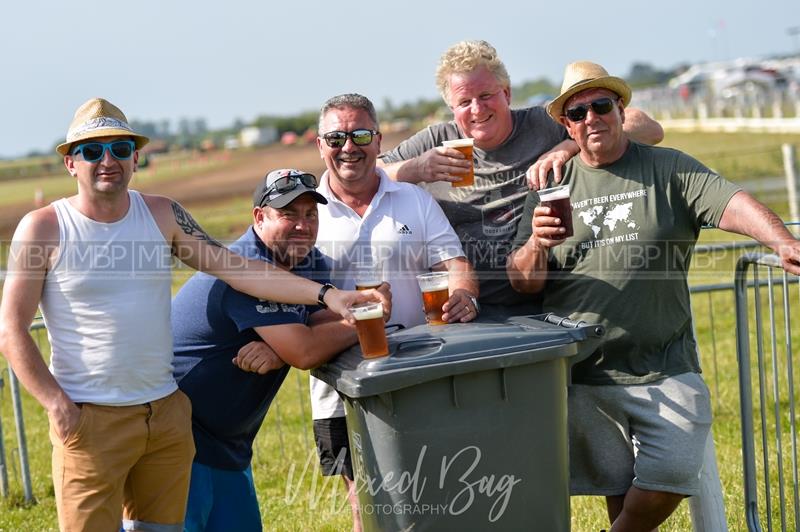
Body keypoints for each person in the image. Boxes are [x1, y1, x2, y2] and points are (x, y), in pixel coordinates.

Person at [0, 98, 386, 532]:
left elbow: (238, 270)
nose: (108, 160)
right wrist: (56, 406)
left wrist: (328, 295)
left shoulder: (161, 214)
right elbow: (12, 330)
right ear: (71, 163)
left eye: (120, 149)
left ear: (136, 157)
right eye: (92, 151)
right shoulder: (44, 228)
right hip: (91, 417)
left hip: (165, 414)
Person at [507, 61, 800, 532]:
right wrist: (538, 244)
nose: (591, 118)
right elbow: (523, 282)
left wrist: (781, 240)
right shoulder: (551, 185)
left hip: (666, 364)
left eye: (601, 105)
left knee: (672, 471)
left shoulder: (668, 168)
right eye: (577, 113)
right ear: (566, 125)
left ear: (621, 110)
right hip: (584, 370)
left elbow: (731, 202)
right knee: (616, 484)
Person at [171, 168, 389, 531]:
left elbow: (320, 325)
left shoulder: (310, 262)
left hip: (227, 446)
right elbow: (304, 352)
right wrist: (369, 318)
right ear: (259, 217)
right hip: (179, 439)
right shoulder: (245, 267)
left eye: (310, 214)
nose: (303, 225)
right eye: (288, 214)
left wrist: (283, 345)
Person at [378, 40, 664, 317]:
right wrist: (417, 169)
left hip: (550, 303)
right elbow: (369, 172)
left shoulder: (543, 124)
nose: (477, 109)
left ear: (507, 93)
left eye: (486, 95)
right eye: (464, 101)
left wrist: (568, 146)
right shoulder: (436, 141)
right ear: (452, 108)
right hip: (467, 309)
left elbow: (649, 128)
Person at [312, 93, 479, 530]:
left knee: (441, 495)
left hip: (419, 371)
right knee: (368, 506)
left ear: (379, 140)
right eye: (336, 136)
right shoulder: (304, 212)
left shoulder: (414, 200)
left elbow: (455, 265)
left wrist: (465, 295)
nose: (349, 146)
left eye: (361, 134)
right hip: (341, 382)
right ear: (320, 144)